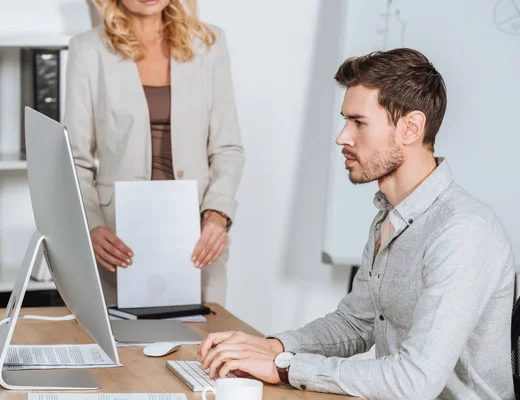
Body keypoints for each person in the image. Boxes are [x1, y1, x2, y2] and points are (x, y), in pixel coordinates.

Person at [197, 48, 515, 399]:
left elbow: (414, 381)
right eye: (345, 121)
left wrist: (286, 367)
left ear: (410, 127)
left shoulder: (462, 231)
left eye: (359, 123)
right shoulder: (388, 218)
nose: (343, 137)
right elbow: (355, 323)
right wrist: (272, 347)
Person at [64, 0, 244, 306]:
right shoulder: (88, 49)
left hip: (196, 233)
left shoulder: (209, 43)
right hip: (117, 235)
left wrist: (217, 215)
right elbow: (74, 159)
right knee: (121, 346)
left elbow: (228, 148)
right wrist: (91, 225)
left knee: (200, 345)